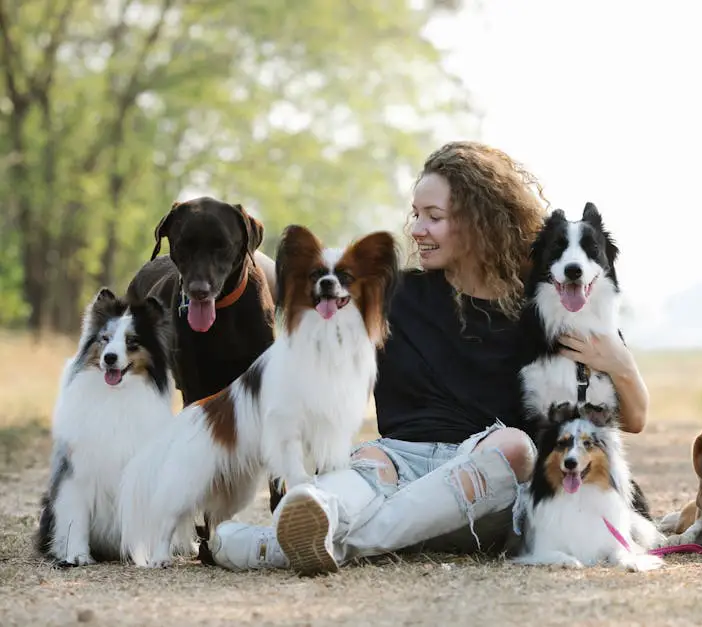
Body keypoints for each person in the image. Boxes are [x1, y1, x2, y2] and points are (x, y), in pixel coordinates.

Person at [205, 141, 651, 574]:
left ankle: (277, 546)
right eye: (416, 214)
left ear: (479, 223)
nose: (417, 228)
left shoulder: (541, 310)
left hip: (482, 484)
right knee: (366, 463)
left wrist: (620, 361)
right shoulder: (394, 294)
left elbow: (632, 418)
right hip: (397, 461)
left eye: (433, 217)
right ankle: (315, 524)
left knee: (515, 446)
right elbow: (298, 277)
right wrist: (224, 248)